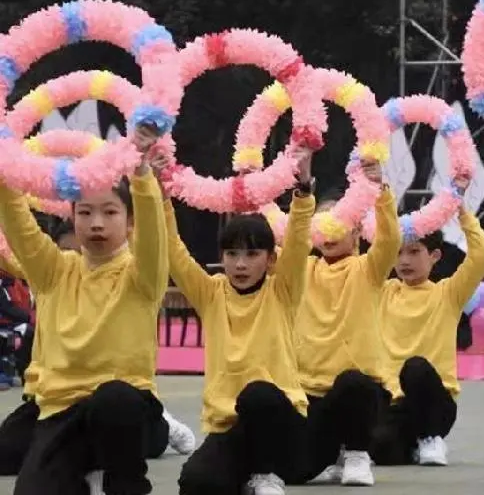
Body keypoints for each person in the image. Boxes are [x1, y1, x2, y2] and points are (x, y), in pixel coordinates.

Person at [153, 148, 334, 495]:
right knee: (196, 482)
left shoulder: (283, 290)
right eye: (232, 254)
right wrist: (160, 197)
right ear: (222, 258)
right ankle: (248, 475)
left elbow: (297, 244)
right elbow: (173, 251)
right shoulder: (210, 293)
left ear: (269, 260)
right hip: (230, 427)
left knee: (259, 396)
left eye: (252, 254)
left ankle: (268, 474)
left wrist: (303, 190)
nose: (240, 263)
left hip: (282, 424)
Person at [3, 125, 171, 495]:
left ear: (129, 222)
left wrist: (142, 176)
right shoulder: (53, 271)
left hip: (123, 409)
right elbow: (19, 225)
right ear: (72, 218)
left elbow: (154, 237)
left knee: (115, 399)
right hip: (60, 411)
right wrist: (5, 168)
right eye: (85, 213)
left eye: (109, 212)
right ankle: (84, 474)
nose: (96, 223)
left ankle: (123, 483)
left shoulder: (142, 275)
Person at [370, 176, 484, 467]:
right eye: (398, 252)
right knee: (382, 449)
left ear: (435, 255)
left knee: (416, 368)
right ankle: (409, 444)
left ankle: (431, 437)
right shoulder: (382, 292)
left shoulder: (448, 294)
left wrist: (460, 209)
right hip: (394, 403)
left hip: (436, 402)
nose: (404, 261)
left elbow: (481, 255)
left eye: (414, 252)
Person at [295, 161, 401, 487]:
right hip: (309, 393)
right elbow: (290, 238)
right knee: (296, 472)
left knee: (355, 383)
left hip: (359, 392)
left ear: (357, 230)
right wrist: (301, 189)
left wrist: (380, 191)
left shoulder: (367, 269)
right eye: (322, 222)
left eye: (338, 222)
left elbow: (389, 240)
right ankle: (330, 454)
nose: (329, 231)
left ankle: (357, 453)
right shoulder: (301, 269)